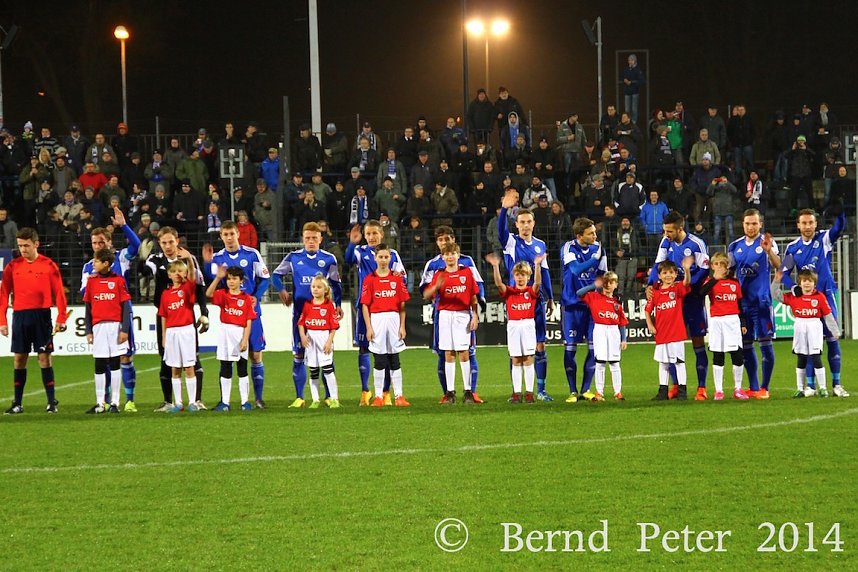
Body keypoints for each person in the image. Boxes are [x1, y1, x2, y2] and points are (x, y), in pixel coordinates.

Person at [272, 222, 343, 407]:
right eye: (307, 238)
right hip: (301, 316)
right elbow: (275, 275)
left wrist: (338, 304)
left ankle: (329, 397)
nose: (311, 241)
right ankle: (300, 398)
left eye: (314, 238)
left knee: (326, 355)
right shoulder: (294, 257)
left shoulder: (329, 259)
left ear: (320, 238)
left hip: (323, 316)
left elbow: (336, 284)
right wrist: (282, 290)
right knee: (299, 354)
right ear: (303, 238)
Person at [780, 206, 849, 397]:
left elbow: (838, 228)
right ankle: (810, 386)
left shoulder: (824, 239)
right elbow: (783, 272)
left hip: (825, 296)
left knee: (832, 339)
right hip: (807, 299)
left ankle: (836, 384)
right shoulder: (792, 248)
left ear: (815, 223)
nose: (808, 226)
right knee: (809, 344)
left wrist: (840, 212)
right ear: (798, 225)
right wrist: (793, 287)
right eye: (804, 223)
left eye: (811, 222)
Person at [202, 221, 270, 408]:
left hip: (250, 312)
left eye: (232, 233)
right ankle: (228, 401)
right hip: (231, 317)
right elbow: (211, 283)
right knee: (229, 359)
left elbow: (265, 278)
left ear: (238, 234)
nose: (229, 237)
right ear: (221, 236)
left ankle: (258, 398)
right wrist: (207, 264)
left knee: (255, 355)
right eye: (225, 234)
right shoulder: (217, 258)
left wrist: (256, 296)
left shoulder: (251, 254)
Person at [1, 228, 68, 414]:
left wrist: (61, 317)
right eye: (20, 245)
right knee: (19, 359)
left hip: (42, 316)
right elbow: (4, 294)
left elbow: (59, 293)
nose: (22, 249)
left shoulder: (49, 265)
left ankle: (51, 402)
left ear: (36, 244)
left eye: (26, 245)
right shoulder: (13, 267)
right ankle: (17, 403)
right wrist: (2, 320)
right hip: (20, 317)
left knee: (44, 358)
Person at [80, 208, 142, 411]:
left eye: (101, 242)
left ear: (109, 242)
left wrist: (123, 225)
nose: (97, 246)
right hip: (100, 317)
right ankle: (104, 401)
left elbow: (137, 245)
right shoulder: (89, 267)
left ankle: (129, 400)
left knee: (124, 356)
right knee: (103, 359)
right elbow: (84, 294)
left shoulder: (121, 258)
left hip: (121, 315)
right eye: (94, 243)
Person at [142, 227, 210, 412]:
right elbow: (146, 271)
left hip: (186, 317)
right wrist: (141, 260)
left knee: (193, 359)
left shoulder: (189, 259)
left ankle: (196, 400)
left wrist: (204, 312)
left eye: (171, 241)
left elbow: (199, 287)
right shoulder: (156, 259)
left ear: (177, 240)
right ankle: (168, 402)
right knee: (166, 359)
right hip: (166, 316)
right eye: (163, 242)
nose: (167, 246)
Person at [647, 211, 711, 399]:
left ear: (680, 228)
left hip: (691, 298)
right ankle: (675, 386)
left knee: (697, 341)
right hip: (673, 299)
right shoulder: (665, 242)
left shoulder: (696, 244)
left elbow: (704, 270)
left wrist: (686, 286)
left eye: (669, 231)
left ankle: (701, 388)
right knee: (669, 342)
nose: (666, 234)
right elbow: (658, 264)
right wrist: (651, 285)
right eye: (664, 230)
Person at [499, 189, 555, 400]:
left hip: (536, 300)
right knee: (515, 350)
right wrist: (504, 210)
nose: (525, 225)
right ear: (517, 224)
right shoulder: (512, 242)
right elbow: (500, 234)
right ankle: (515, 391)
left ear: (533, 223)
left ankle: (539, 390)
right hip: (516, 301)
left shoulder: (540, 245)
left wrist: (549, 297)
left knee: (540, 344)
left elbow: (546, 272)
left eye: (528, 222)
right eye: (521, 222)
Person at [419, 226, 486, 403]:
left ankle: (469, 391)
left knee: (465, 352)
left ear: (457, 253)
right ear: (442, 255)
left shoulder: (467, 269)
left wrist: (475, 315)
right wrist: (435, 287)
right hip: (444, 315)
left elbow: (474, 294)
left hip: (463, 314)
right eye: (441, 241)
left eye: (452, 253)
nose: (449, 256)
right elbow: (425, 293)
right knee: (447, 353)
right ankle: (449, 392)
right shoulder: (436, 270)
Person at [344, 220, 406, 405]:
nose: (371, 237)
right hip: (366, 307)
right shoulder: (360, 251)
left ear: (381, 234)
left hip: (386, 308)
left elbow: (400, 276)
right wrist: (352, 242)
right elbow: (347, 260)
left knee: (387, 351)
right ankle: (366, 391)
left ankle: (386, 392)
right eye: (368, 234)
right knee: (363, 348)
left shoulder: (392, 254)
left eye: (374, 233)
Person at [727, 210, 780, 398]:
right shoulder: (734, 246)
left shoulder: (767, 242)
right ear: (743, 224)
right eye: (748, 223)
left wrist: (769, 251)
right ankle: (754, 387)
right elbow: (729, 274)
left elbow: (779, 265)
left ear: (760, 224)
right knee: (746, 345)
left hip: (762, 303)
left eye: (754, 224)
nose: (751, 227)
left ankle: (765, 388)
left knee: (765, 344)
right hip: (742, 305)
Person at [559, 217, 607, 402]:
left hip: (592, 306)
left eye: (595, 232)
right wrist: (594, 259)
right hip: (571, 305)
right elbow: (576, 270)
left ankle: (586, 389)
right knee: (570, 348)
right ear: (580, 236)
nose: (595, 236)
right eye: (591, 233)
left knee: (594, 348)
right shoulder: (569, 247)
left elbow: (602, 276)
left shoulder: (598, 248)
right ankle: (572, 391)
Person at [772, 269, 841, 398]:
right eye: (804, 281)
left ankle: (823, 388)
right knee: (801, 357)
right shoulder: (794, 296)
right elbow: (776, 295)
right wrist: (776, 281)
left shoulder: (819, 297)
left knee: (816, 357)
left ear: (814, 283)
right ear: (799, 283)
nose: (807, 284)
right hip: (799, 326)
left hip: (814, 326)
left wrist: (835, 330)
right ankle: (800, 388)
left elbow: (828, 315)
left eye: (809, 281)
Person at [486, 252, 543, 403]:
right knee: (516, 359)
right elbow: (499, 283)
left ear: (527, 277)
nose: (520, 277)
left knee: (529, 358)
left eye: (523, 274)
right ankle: (517, 393)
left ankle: (529, 393)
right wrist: (496, 266)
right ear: (514, 276)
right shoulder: (509, 292)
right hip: (513, 326)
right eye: (517, 274)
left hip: (528, 324)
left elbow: (538, 283)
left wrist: (537, 266)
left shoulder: (530, 291)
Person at [83, 248, 132, 414]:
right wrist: (88, 331)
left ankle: (115, 403)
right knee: (99, 364)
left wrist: (125, 329)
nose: (93, 264)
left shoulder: (118, 281)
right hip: (98, 328)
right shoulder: (91, 282)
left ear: (106, 264)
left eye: (96, 261)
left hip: (115, 326)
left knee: (115, 363)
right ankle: (100, 403)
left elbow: (126, 307)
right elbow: (88, 308)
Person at [361, 244, 411, 407]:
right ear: (375, 258)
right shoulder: (370, 280)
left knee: (395, 359)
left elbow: (402, 305)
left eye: (386, 257)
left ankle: (399, 396)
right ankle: (378, 397)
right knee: (380, 360)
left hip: (394, 320)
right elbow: (365, 305)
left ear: (390, 258)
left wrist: (402, 326)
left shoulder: (397, 279)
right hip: (377, 320)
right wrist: (369, 327)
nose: (383, 260)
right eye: (380, 257)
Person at [699, 253, 749, 401]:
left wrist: (743, 322)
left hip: (733, 321)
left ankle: (738, 389)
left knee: (737, 354)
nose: (720, 267)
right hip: (716, 322)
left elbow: (740, 305)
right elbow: (701, 293)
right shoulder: (710, 281)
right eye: (717, 264)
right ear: (712, 266)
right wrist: (715, 279)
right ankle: (719, 390)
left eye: (723, 264)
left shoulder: (734, 283)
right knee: (718, 354)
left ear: (727, 267)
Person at [206, 265, 257, 412]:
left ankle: (245, 402)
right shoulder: (223, 294)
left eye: (234, 278)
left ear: (241, 281)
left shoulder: (246, 299)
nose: (231, 281)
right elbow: (209, 293)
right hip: (225, 332)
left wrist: (245, 340)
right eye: (229, 279)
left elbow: (248, 321)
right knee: (225, 367)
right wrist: (218, 278)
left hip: (240, 333)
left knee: (242, 368)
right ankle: (225, 403)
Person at [576, 272, 629, 401]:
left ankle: (618, 392)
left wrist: (624, 339)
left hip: (613, 331)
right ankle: (599, 392)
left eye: (611, 282)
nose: (608, 285)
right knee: (600, 362)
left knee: (614, 362)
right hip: (599, 329)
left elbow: (622, 323)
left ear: (616, 285)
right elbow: (579, 293)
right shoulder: (594, 297)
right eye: (606, 282)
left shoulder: (617, 303)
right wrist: (593, 285)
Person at [645, 257, 693, 400]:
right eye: (665, 273)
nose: (668, 275)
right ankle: (662, 392)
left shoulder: (677, 288)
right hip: (661, 333)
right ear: (659, 276)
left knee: (679, 362)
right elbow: (647, 310)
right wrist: (650, 325)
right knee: (663, 363)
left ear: (675, 274)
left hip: (676, 333)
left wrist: (686, 269)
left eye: (671, 272)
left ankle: (682, 392)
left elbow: (687, 282)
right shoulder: (656, 292)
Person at [159, 257, 200, 413]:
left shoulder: (188, 288)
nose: (177, 274)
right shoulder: (166, 294)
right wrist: (164, 335)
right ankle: (178, 403)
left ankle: (192, 402)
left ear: (185, 273)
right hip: (171, 332)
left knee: (189, 367)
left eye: (180, 271)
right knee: (175, 368)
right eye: (174, 271)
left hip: (186, 330)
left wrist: (189, 260)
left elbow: (192, 277)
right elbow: (163, 315)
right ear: (169, 274)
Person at [297, 275, 342, 409]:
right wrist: (303, 337)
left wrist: (329, 342)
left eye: (319, 287)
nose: (315, 289)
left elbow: (333, 326)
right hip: (310, 339)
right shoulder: (307, 305)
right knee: (313, 370)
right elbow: (301, 323)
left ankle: (334, 399)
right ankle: (315, 400)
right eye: (313, 287)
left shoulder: (329, 306)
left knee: (328, 369)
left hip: (323, 339)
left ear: (325, 290)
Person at [621, 54, 645, 123]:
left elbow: (642, 81)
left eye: (632, 60)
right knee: (627, 109)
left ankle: (633, 122)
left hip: (635, 92)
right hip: (627, 92)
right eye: (629, 60)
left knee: (634, 109)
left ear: (635, 61)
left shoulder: (638, 70)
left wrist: (632, 82)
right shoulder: (626, 69)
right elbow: (622, 77)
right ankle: (627, 122)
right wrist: (624, 80)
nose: (630, 62)